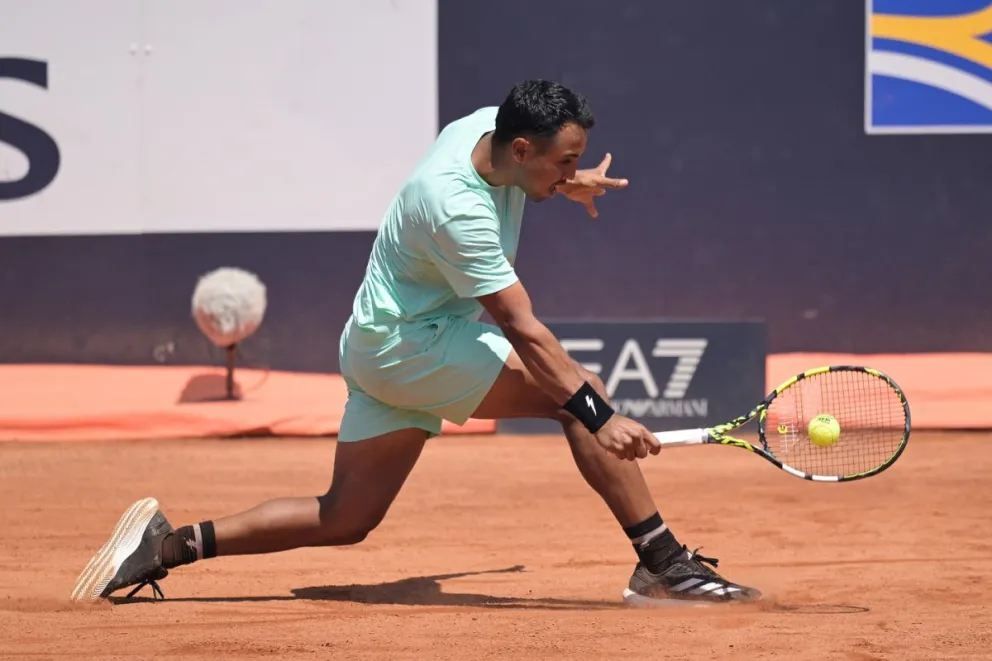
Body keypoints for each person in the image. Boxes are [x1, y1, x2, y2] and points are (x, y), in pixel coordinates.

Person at [70, 79, 761, 606]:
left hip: (377, 342)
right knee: (574, 396)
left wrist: (566, 184)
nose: (566, 171)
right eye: (563, 161)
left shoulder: (493, 132)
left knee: (345, 517)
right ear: (521, 148)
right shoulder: (455, 206)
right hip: (413, 346)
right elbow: (524, 328)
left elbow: (531, 181)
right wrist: (601, 419)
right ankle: (664, 563)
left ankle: (163, 544)